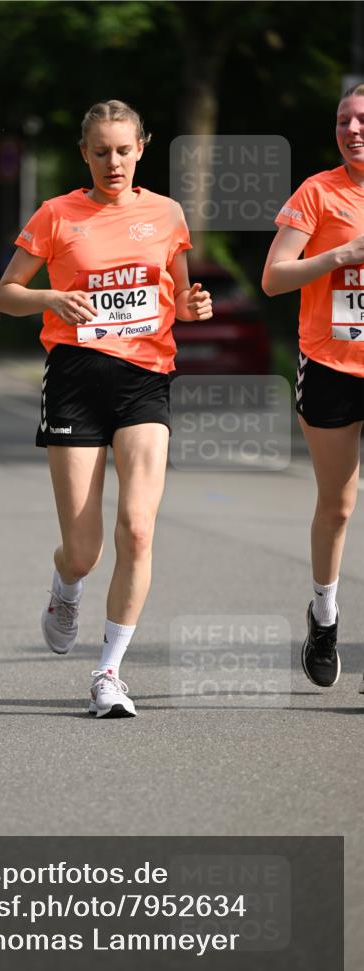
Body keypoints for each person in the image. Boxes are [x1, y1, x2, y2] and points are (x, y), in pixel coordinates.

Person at [0, 100, 212, 718]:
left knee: (138, 529)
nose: (112, 162)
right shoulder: (56, 214)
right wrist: (50, 298)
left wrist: (193, 307)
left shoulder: (166, 214)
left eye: (122, 150)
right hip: (75, 380)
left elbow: (179, 295)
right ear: (83, 154)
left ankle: (109, 673)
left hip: (145, 380)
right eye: (100, 152)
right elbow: (5, 295)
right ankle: (66, 587)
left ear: (141, 147)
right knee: (84, 548)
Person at [262, 83, 364, 694]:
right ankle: (324, 616)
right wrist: (341, 254)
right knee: (339, 504)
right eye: (344, 120)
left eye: (362, 120)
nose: (352, 130)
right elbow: (274, 278)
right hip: (331, 364)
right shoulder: (318, 192)